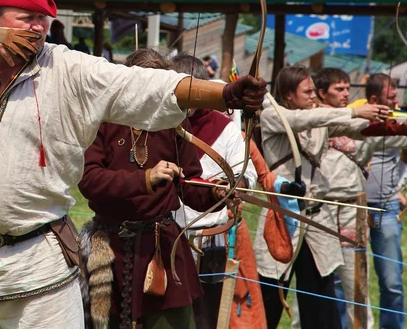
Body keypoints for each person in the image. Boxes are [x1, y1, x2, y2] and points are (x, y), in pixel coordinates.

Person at [0, 0, 266, 328]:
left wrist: (224, 94)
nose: (36, 29)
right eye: (26, 18)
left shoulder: (66, 67)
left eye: (42, 20)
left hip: (39, 263)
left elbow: (136, 84)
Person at [78, 49, 229, 329]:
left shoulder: (175, 121)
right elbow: (89, 180)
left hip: (162, 247)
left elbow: (189, 186)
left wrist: (215, 193)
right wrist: (146, 178)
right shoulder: (102, 119)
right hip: (110, 249)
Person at [255, 66, 389, 329]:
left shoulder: (317, 118)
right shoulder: (274, 114)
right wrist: (352, 110)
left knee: (321, 303)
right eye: (306, 92)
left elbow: (354, 128)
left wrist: (381, 122)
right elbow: (304, 121)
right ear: (288, 95)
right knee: (269, 298)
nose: (312, 96)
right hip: (283, 217)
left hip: (317, 221)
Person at [170, 54, 267, 329]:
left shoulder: (222, 125)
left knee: (205, 318)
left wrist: (233, 185)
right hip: (166, 237)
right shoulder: (160, 122)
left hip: (208, 240)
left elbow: (245, 173)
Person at [310, 68, 407, 329]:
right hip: (322, 211)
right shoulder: (312, 119)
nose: (345, 93)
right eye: (338, 89)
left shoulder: (359, 120)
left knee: (360, 282)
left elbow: (386, 134)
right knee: (327, 283)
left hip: (357, 209)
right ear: (321, 93)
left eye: (346, 88)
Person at [363, 73, 406, 329]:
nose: (396, 100)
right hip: (351, 207)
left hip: (386, 209)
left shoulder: (399, 120)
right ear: (373, 99)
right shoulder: (355, 119)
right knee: (348, 280)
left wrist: (399, 186)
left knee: (392, 282)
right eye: (391, 97)